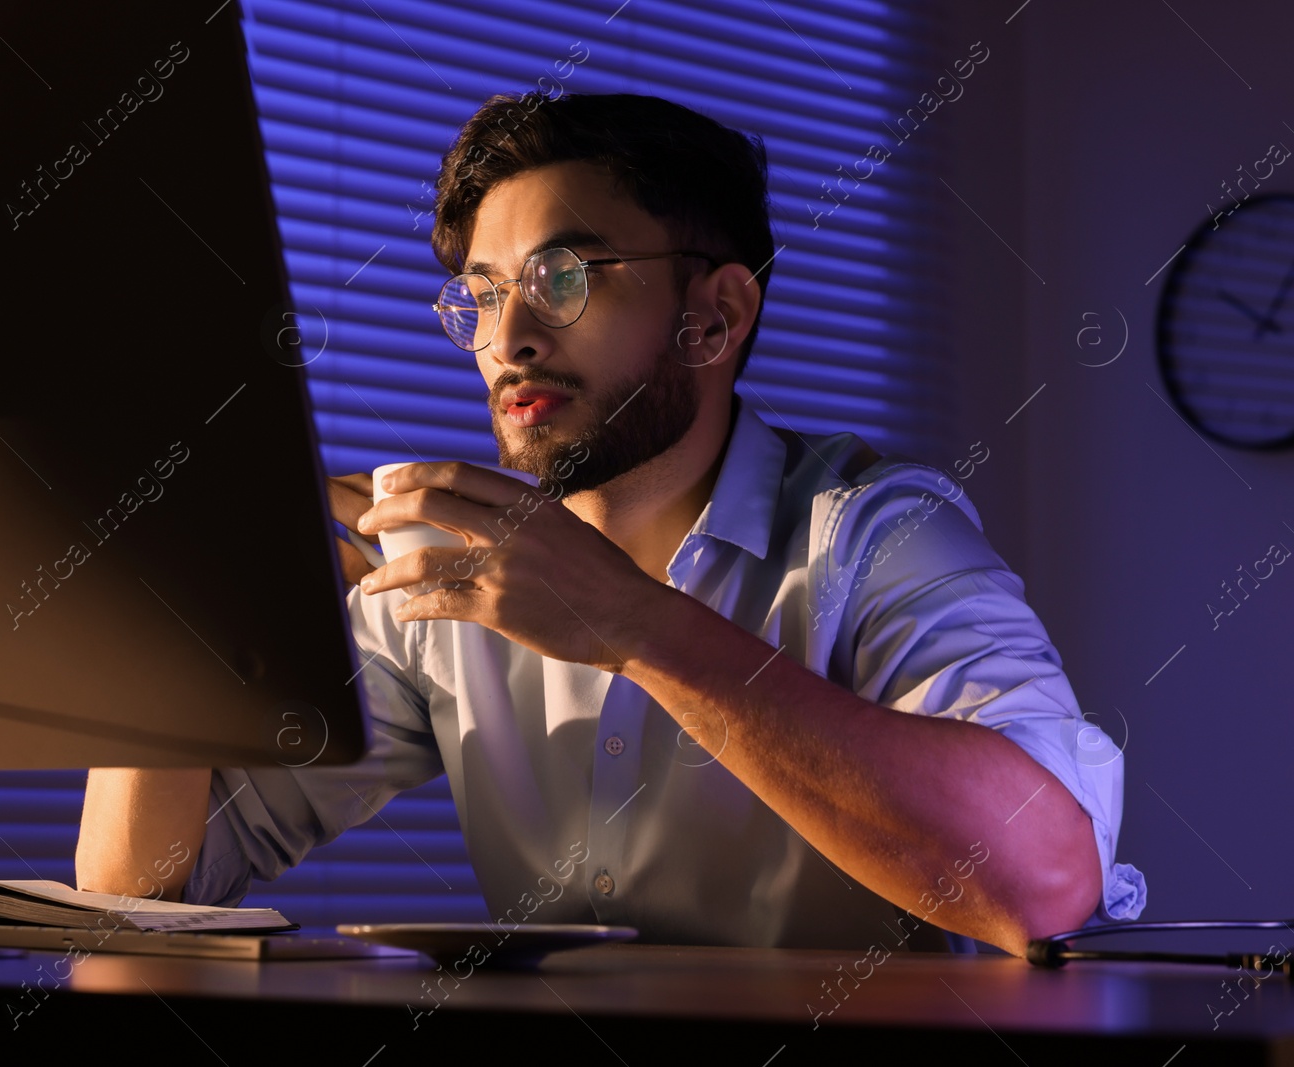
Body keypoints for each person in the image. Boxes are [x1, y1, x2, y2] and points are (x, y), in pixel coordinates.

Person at [76, 91, 1145, 956]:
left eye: (562, 277)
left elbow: (1041, 879)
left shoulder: (876, 531)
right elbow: (140, 885)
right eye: (482, 295)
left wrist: (627, 621)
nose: (508, 338)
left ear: (714, 315)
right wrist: (204, 568)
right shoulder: (447, 579)